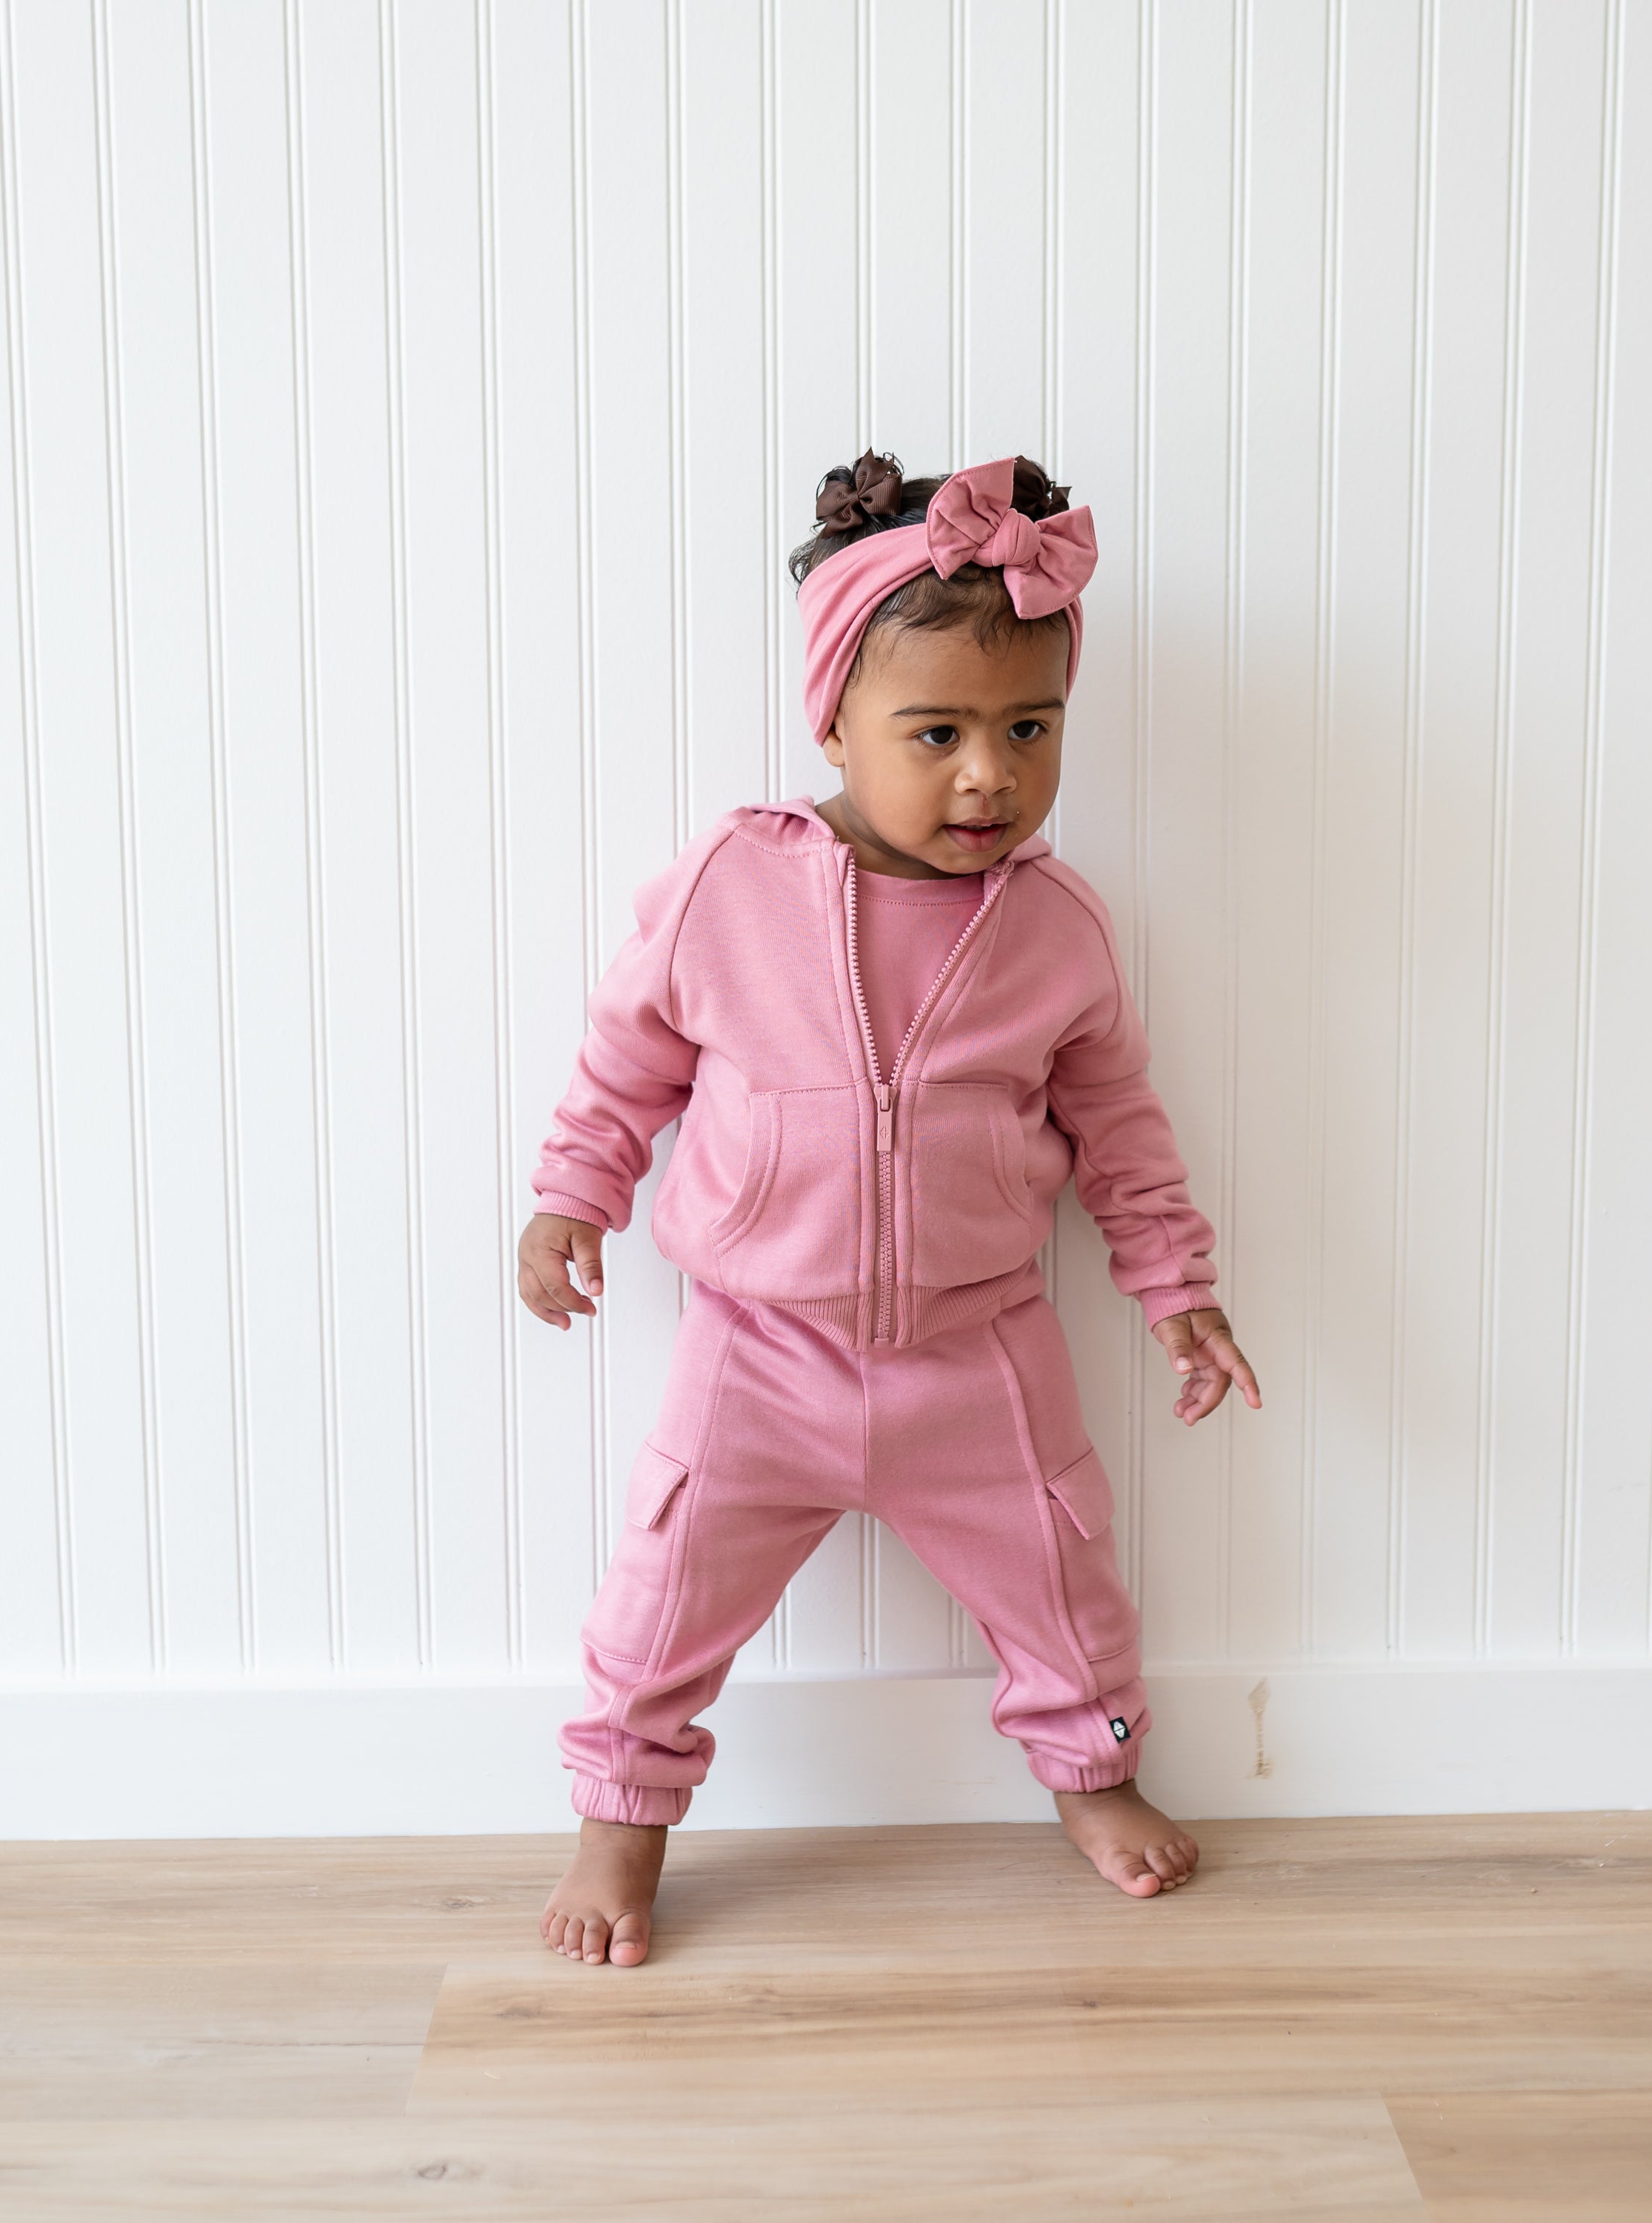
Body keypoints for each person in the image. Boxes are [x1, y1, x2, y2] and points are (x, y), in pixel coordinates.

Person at [519, 452, 1260, 1966]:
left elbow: (1117, 1124)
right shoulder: (731, 883)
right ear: (838, 721)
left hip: (976, 1351)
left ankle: (1094, 1772)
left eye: (1029, 730)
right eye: (938, 732)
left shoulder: (1057, 931)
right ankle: (620, 1824)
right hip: (758, 1354)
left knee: (1066, 1569)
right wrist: (571, 1197)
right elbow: (628, 1060)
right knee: (664, 1595)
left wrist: (1177, 1286)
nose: (989, 772)